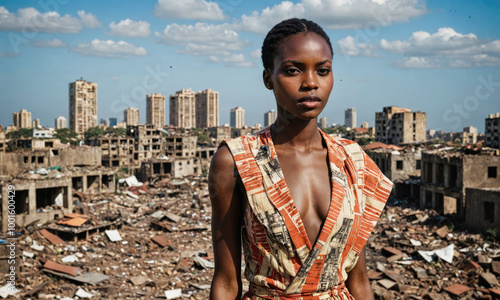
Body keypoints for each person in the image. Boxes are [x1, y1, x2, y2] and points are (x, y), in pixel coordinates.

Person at [209, 18, 392, 300]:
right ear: (268, 78)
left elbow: (359, 280)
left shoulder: (354, 161)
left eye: (323, 71)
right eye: (293, 70)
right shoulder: (236, 161)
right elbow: (226, 282)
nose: (310, 83)